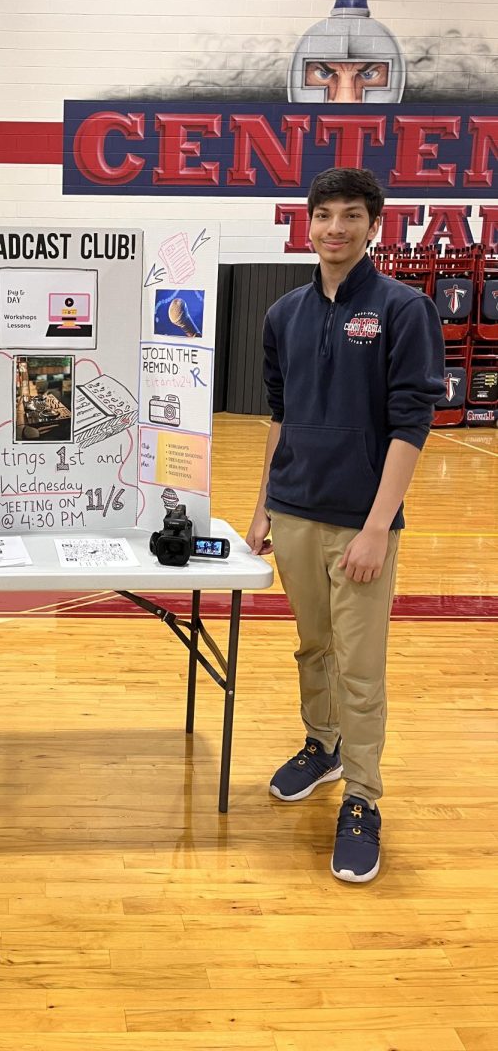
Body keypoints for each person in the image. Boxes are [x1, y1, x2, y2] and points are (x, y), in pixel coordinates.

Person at [246, 167, 444, 883]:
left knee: (360, 668)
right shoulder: (284, 314)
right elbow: (280, 415)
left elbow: (411, 421)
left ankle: (362, 797)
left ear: (373, 226)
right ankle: (321, 747)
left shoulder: (403, 308)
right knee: (314, 648)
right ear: (308, 224)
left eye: (350, 215)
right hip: (294, 510)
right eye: (323, 214)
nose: (335, 227)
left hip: (361, 522)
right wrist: (264, 504)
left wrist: (376, 527)